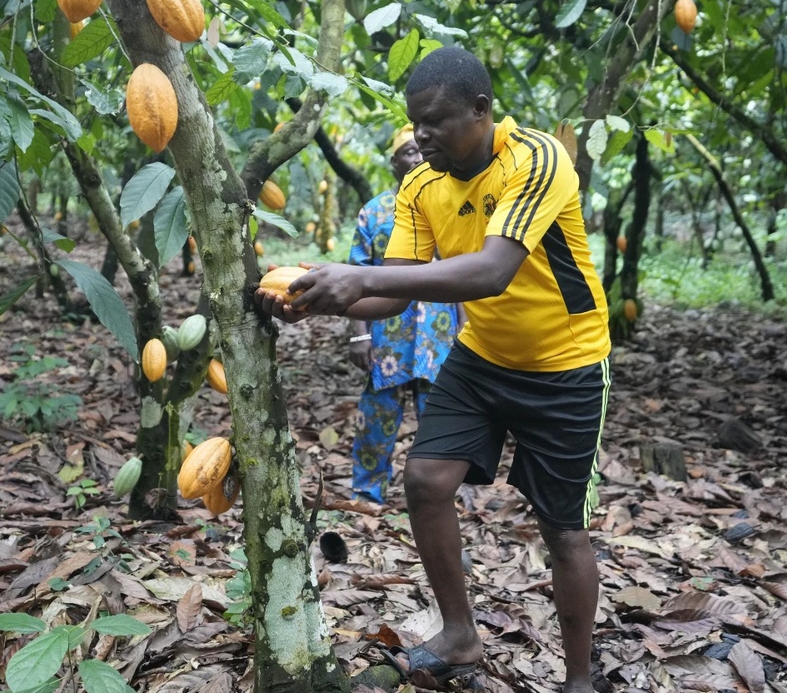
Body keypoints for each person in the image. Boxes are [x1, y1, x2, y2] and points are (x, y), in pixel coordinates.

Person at [256, 46, 610, 693]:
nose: (422, 135)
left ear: (482, 111)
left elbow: (492, 271)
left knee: (562, 529)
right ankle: (459, 635)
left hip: (567, 364)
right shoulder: (421, 185)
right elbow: (397, 293)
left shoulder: (535, 159)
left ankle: (581, 677)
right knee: (424, 479)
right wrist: (315, 300)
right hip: (481, 358)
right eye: (416, 121)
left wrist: (360, 274)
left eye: (438, 121)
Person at [346, 124, 459, 504]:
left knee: (441, 419)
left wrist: (467, 329)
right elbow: (355, 276)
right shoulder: (374, 212)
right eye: (406, 152)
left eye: (420, 151)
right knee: (377, 417)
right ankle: (367, 491)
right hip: (387, 334)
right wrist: (359, 335)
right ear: (394, 162)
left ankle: (442, 493)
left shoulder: (449, 204)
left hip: (438, 336)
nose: (416, 157)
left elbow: (464, 275)